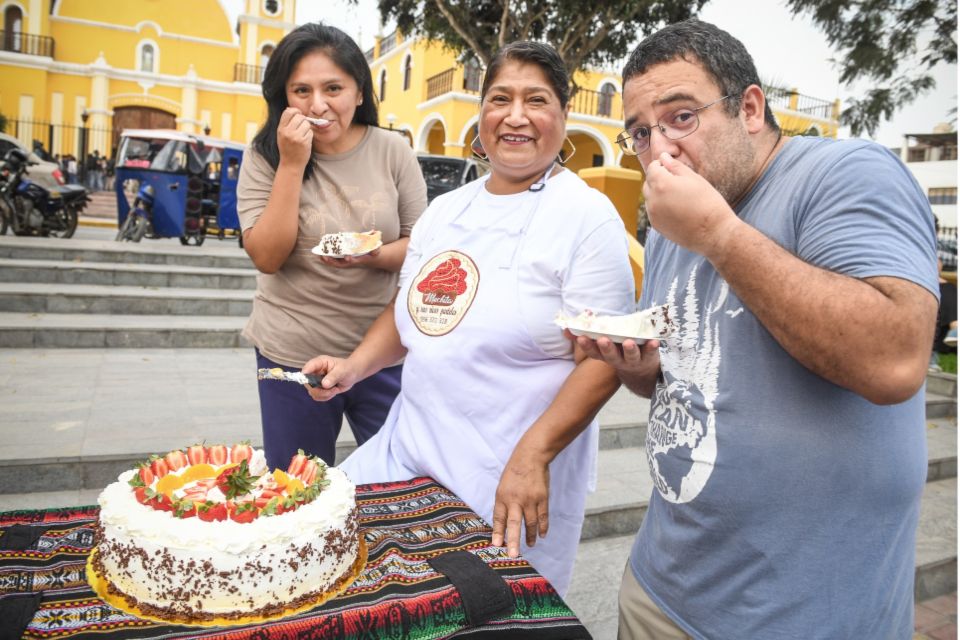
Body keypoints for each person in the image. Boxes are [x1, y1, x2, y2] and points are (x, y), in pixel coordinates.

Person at [573, 19, 940, 640]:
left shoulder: (843, 173)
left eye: (681, 116)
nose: (659, 149)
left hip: (802, 613)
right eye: (640, 132)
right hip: (660, 588)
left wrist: (718, 235)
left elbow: (895, 359)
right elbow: (679, 380)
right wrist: (639, 367)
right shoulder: (669, 229)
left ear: (749, 107)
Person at [302, 41, 635, 595]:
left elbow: (601, 361)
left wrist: (534, 456)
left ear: (563, 116)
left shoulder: (586, 218)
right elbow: (412, 310)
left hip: (507, 476)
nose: (516, 115)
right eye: (500, 98)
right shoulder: (446, 210)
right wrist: (354, 366)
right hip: (407, 452)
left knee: (484, 619)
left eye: (537, 100)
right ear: (482, 113)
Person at [237, 22, 427, 471]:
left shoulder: (392, 150)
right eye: (301, 90)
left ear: (359, 92)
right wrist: (291, 162)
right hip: (292, 352)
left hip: (382, 352)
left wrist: (374, 255)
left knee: (400, 480)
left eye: (333, 88)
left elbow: (423, 247)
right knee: (298, 490)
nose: (317, 105)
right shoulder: (265, 155)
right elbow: (267, 256)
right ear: (283, 96)